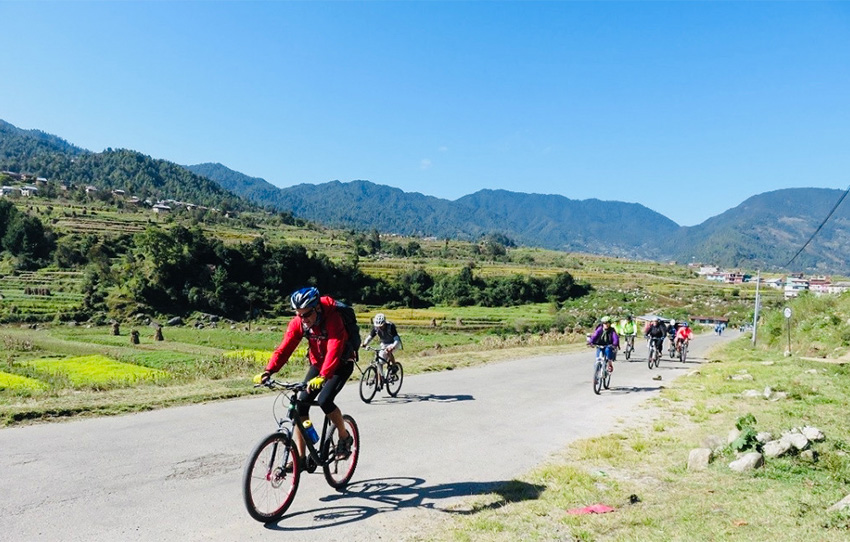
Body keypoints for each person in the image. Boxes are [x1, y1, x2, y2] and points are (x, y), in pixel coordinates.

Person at [257, 287, 355, 469]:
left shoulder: (333, 318)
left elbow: (335, 347)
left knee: (325, 400)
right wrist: (269, 370)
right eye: (299, 314)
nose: (304, 319)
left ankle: (344, 436)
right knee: (301, 405)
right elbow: (285, 347)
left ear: (317, 308)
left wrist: (324, 376)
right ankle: (300, 460)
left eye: (307, 314)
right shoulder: (299, 322)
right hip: (318, 364)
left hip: (341, 363)